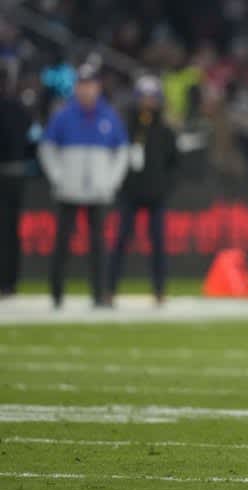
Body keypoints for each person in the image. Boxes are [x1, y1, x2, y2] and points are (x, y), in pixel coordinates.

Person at [39, 63, 129, 308]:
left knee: (98, 246)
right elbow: (47, 149)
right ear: (76, 87)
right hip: (69, 190)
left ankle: (99, 294)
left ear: (98, 87)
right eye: (82, 85)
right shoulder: (63, 116)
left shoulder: (110, 116)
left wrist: (110, 181)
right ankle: (57, 294)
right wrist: (59, 177)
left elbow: (122, 152)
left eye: (91, 85)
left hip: (99, 192)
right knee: (62, 244)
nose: (87, 90)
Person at [107, 75, 178, 305]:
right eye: (144, 97)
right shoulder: (126, 127)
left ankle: (159, 290)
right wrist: (122, 183)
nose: (148, 102)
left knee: (158, 244)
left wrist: (165, 186)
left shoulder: (165, 130)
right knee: (121, 241)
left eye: (152, 97)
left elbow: (174, 164)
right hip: (130, 194)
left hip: (156, 195)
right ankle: (110, 289)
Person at [0, 66, 32, 296]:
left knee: (9, 231)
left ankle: (8, 282)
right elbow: (30, 141)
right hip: (16, 173)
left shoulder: (15, 109)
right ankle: (9, 282)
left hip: (10, 174)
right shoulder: (19, 108)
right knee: (11, 231)